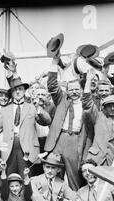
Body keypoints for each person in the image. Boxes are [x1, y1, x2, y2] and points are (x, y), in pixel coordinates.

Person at [44, 54, 93, 190]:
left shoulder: (86, 104)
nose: (74, 92)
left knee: (74, 175)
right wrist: (55, 62)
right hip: (60, 139)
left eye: (77, 89)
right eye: (71, 90)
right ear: (67, 91)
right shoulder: (62, 100)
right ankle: (52, 197)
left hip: (75, 140)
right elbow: (52, 85)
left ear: (82, 90)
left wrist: (88, 79)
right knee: (53, 172)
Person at [0, 77, 51, 177]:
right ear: (11, 92)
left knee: (26, 179)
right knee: (9, 179)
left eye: (20, 89)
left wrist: (38, 108)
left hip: (27, 150)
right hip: (9, 150)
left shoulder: (32, 107)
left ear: (24, 91)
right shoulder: (4, 110)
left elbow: (46, 121)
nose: (17, 92)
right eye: (15, 90)